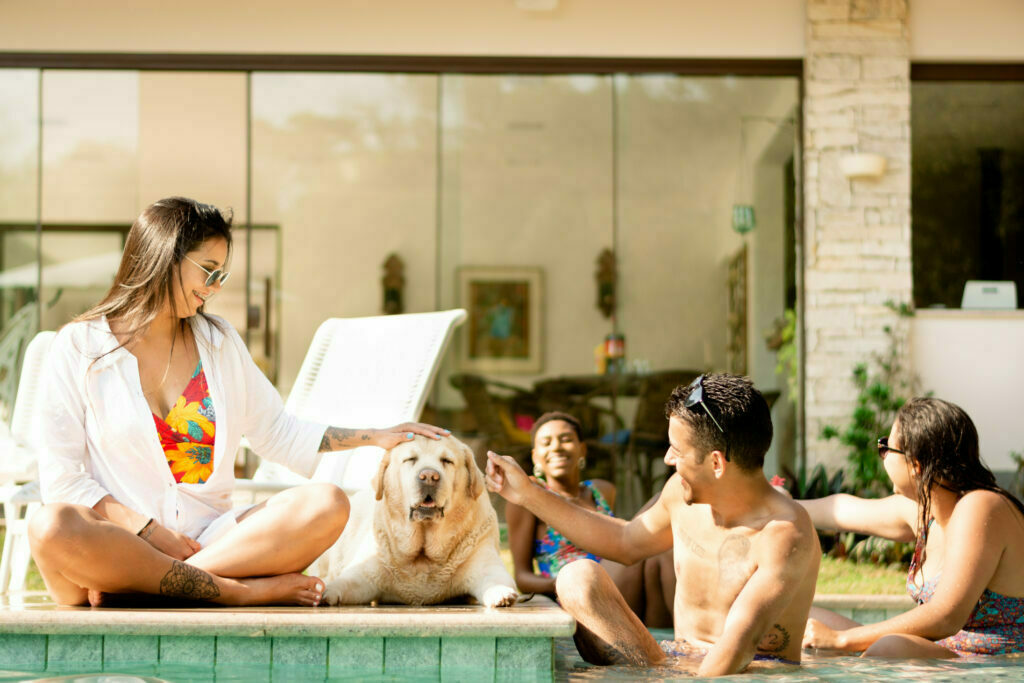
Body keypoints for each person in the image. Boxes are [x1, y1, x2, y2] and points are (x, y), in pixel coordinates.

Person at [29, 196, 448, 608]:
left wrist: (374, 436)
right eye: (208, 272)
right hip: (116, 547)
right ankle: (234, 592)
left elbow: (279, 433)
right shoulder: (79, 346)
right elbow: (63, 479)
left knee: (327, 503)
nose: (213, 288)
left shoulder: (219, 342)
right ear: (165, 258)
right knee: (49, 525)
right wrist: (147, 531)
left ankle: (151, 591)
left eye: (221, 276)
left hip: (210, 542)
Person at [487, 374, 819, 676]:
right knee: (577, 578)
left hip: (747, 674)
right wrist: (528, 494)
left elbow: (737, 649)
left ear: (716, 462)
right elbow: (624, 541)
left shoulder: (784, 535)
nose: (667, 460)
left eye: (677, 450)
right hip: (668, 666)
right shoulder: (681, 493)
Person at [797, 397, 1024, 657]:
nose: (882, 456)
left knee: (890, 647)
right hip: (943, 658)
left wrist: (841, 639)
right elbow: (840, 510)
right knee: (799, 617)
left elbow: (946, 616)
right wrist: (777, 503)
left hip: (997, 667)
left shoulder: (982, 507)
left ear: (915, 464)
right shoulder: (926, 513)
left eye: (885, 448)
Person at [505, 411, 674, 627]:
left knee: (660, 554)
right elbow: (522, 577)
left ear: (582, 449)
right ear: (535, 456)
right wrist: (566, 583)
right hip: (576, 592)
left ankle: (671, 643)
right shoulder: (529, 498)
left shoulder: (602, 491)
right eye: (546, 443)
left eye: (566, 439)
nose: (556, 447)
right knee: (656, 521)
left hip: (618, 583)